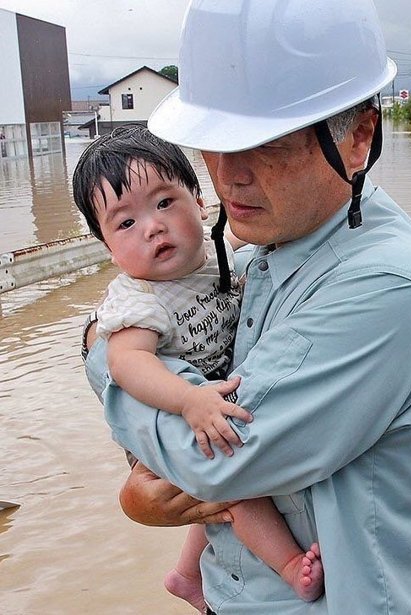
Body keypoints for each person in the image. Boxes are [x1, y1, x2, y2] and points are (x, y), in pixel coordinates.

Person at [82, 1, 411, 613]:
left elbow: (216, 461)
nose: (230, 177)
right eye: (212, 144)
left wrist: (105, 356)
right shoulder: (273, 240)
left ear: (360, 136)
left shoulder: (388, 286)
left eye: (268, 144)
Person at [73, 125, 325, 610]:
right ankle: (290, 565)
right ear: (107, 247)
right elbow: (124, 365)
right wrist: (187, 399)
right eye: (125, 224)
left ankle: (187, 575)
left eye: (164, 203)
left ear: (200, 201)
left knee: (218, 486)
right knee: (233, 488)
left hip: (211, 395)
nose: (151, 227)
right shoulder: (139, 299)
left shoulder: (223, 255)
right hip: (179, 406)